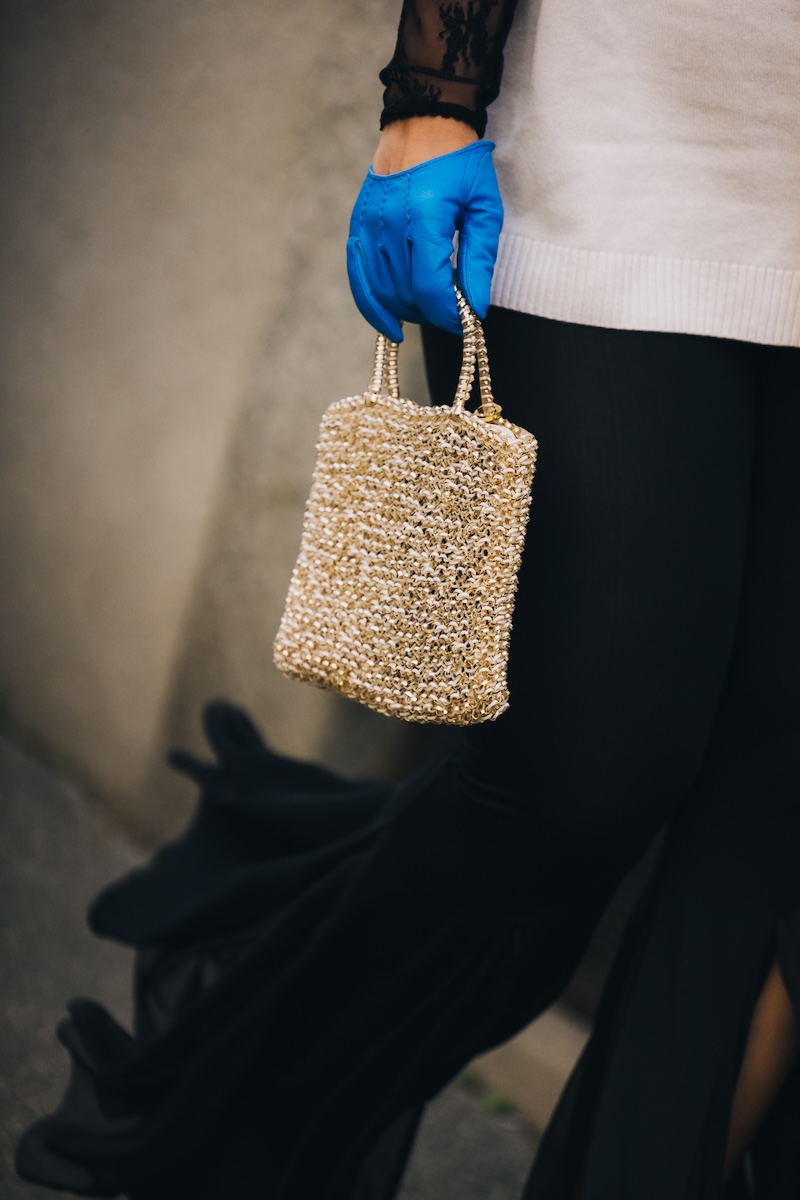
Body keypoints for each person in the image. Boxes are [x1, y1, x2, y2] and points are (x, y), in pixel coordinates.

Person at [17, 2, 800, 1197]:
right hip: (625, 150)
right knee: (582, 775)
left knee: (766, 830)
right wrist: (431, 100)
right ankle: (232, 1092)